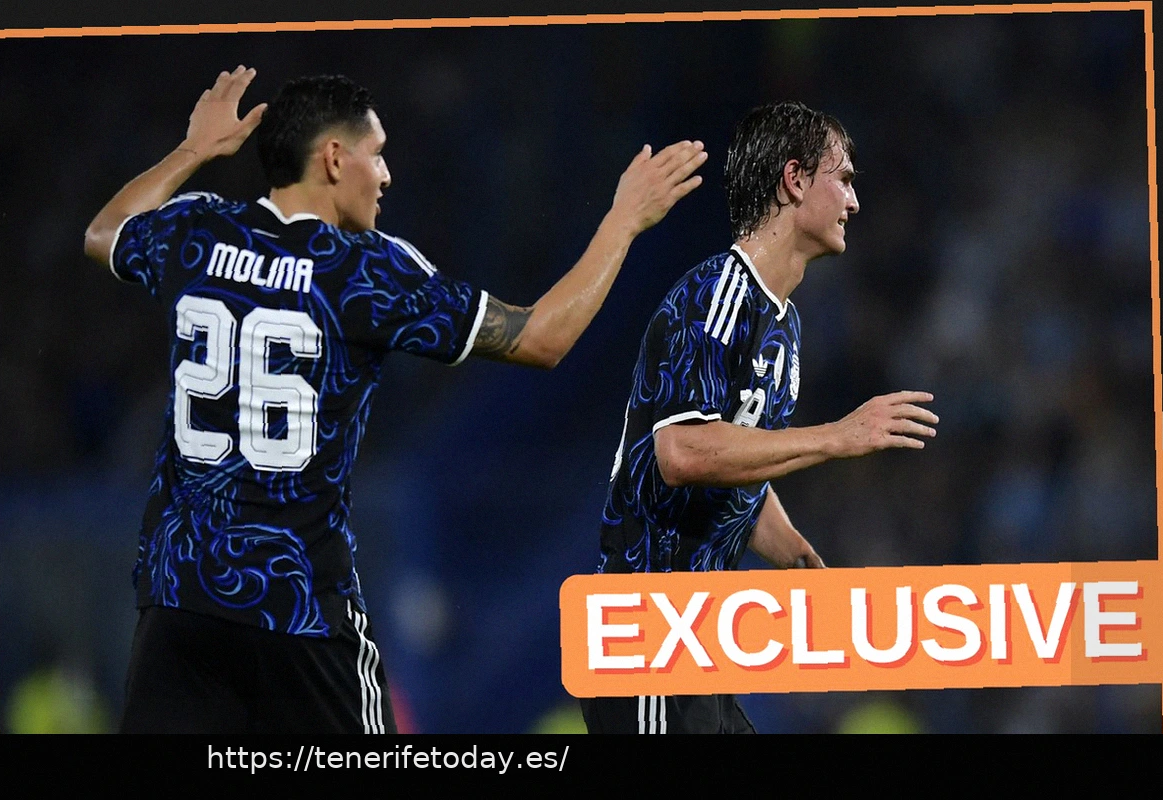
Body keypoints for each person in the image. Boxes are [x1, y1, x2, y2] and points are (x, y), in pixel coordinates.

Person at [82, 66, 708, 734]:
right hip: (297, 610)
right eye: (376, 154)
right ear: (333, 158)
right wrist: (623, 221)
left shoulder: (197, 232)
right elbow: (542, 338)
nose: (385, 175)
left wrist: (193, 151)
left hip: (177, 601)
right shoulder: (367, 270)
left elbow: (104, 233)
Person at [582, 101, 939, 734]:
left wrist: (799, 558)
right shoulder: (717, 295)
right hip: (648, 629)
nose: (855, 202)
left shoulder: (784, 323)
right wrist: (837, 436)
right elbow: (683, 451)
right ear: (794, 180)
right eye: (843, 179)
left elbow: (735, 464)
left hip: (698, 642)